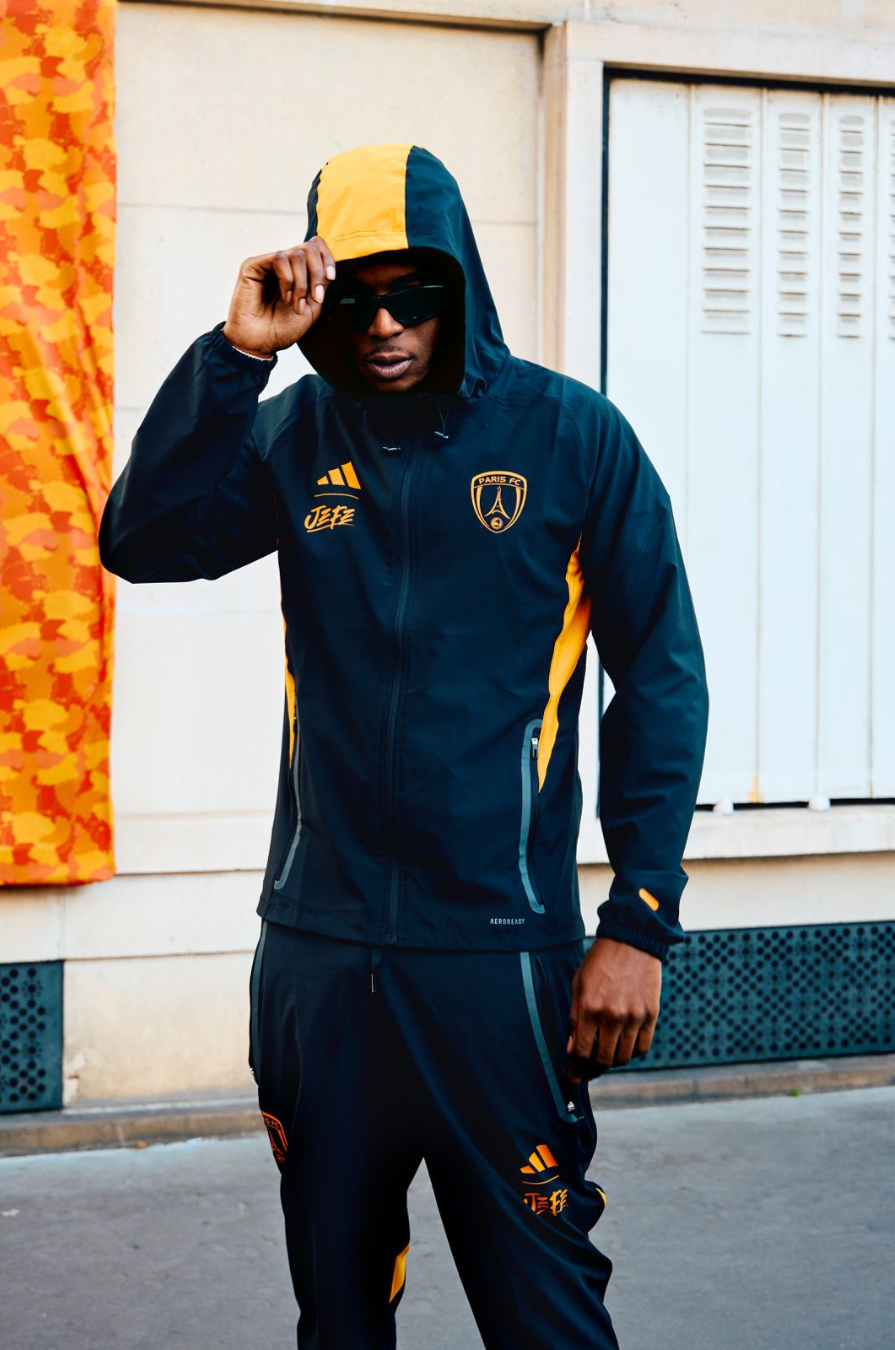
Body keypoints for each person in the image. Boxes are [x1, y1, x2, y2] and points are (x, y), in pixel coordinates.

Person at [99, 142, 709, 1350]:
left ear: (459, 284)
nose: (384, 324)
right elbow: (144, 538)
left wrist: (639, 920)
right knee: (338, 1314)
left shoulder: (572, 439)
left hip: (496, 961)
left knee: (544, 1313)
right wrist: (234, 357)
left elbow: (662, 680)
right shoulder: (292, 435)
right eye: (356, 297)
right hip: (318, 959)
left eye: (413, 293)